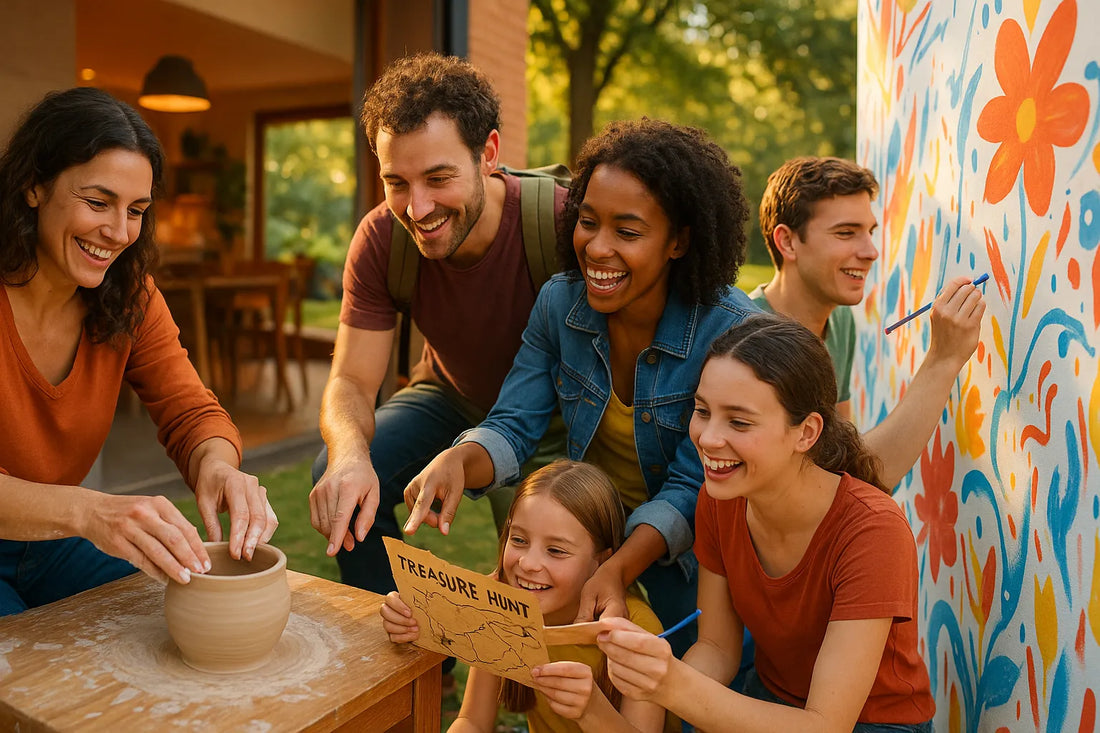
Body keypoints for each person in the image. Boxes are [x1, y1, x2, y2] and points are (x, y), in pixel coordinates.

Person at [402, 118, 757, 657]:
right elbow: (513, 424)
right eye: (587, 221)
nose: (596, 247)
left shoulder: (727, 331)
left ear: (679, 241)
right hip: (592, 533)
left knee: (686, 688)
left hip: (691, 550)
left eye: (628, 232)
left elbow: (693, 486)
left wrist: (616, 569)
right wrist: (458, 459)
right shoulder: (560, 304)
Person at [0, 87, 277, 615]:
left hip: (50, 545)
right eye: (98, 202)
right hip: (57, 527)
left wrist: (217, 467)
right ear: (33, 185)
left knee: (182, 602)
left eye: (138, 210)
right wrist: (90, 513)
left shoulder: (131, 297)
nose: (119, 231)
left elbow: (191, 411)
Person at [596, 314, 935, 732]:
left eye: (738, 421)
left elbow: (825, 726)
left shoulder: (873, 532)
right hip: (768, 697)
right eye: (702, 410)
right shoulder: (721, 499)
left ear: (807, 433)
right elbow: (718, 649)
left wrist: (674, 685)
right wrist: (649, 675)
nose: (707, 438)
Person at [308, 52, 566, 597]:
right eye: (395, 182)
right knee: (342, 480)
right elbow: (352, 381)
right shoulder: (381, 239)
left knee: (535, 556)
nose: (417, 207)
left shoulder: (561, 224)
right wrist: (351, 458)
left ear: (488, 154)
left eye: (438, 178)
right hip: (448, 394)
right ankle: (416, 661)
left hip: (556, 418)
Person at [751, 156, 985, 489]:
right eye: (846, 233)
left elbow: (839, 464)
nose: (871, 251)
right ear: (787, 241)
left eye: (869, 232)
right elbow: (857, 480)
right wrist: (943, 357)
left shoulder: (839, 319)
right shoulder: (751, 339)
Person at [382, 460, 666, 733]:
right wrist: (417, 622)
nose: (528, 564)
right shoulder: (496, 608)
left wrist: (591, 710)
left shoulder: (639, 631)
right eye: (518, 540)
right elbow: (473, 721)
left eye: (556, 550)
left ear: (601, 562)